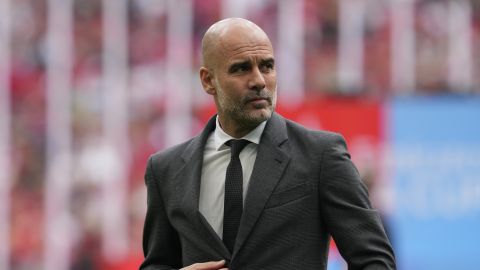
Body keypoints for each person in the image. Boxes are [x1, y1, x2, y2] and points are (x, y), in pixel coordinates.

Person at [140, 18, 396, 270]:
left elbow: (375, 261)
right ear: (208, 80)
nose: (259, 81)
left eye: (267, 66)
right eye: (241, 68)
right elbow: (157, 263)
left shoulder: (320, 155)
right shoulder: (165, 170)